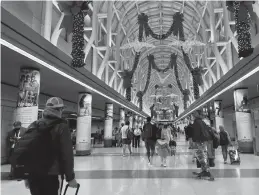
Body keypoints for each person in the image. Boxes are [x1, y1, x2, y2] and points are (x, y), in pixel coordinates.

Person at [24, 97, 78, 195]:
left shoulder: (33, 125)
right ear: (60, 110)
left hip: (33, 174)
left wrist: (26, 176)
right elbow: (67, 154)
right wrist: (70, 177)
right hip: (52, 175)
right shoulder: (62, 127)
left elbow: (26, 152)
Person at [192, 110, 213, 179]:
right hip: (203, 141)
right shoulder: (201, 121)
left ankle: (207, 172)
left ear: (198, 114)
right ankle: (204, 171)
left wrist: (195, 141)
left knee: (202, 156)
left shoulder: (197, 121)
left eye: (195, 113)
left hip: (200, 141)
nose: (193, 114)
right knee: (203, 155)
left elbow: (197, 133)